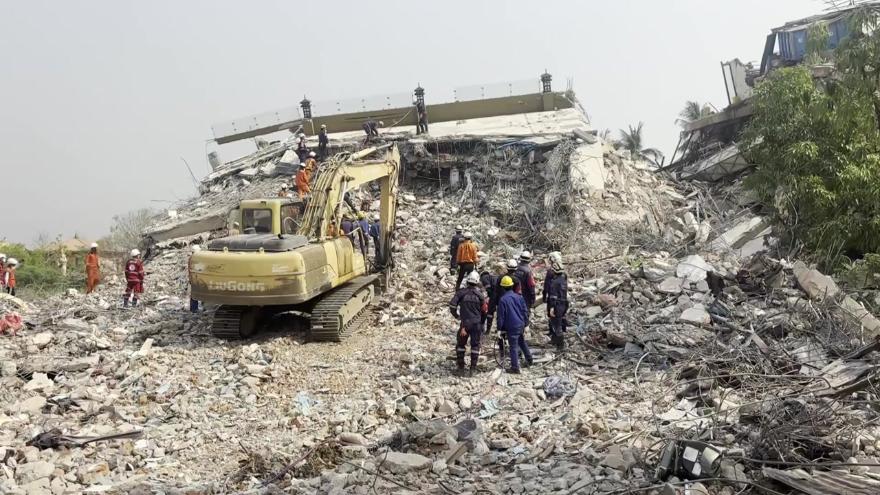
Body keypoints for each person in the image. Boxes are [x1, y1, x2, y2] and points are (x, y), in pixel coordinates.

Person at [449, 271, 488, 375]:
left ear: (467, 281)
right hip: (476, 324)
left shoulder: (461, 293)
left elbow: (452, 305)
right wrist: (482, 322)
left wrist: (456, 316)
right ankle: (472, 369)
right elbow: (485, 311)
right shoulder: (480, 295)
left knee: (461, 345)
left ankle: (461, 368)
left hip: (464, 324)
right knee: (475, 346)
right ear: (477, 282)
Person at [496, 275, 532, 373]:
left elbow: (501, 316)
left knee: (513, 347)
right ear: (512, 286)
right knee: (521, 341)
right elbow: (525, 311)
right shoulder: (519, 297)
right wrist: (526, 324)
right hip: (520, 324)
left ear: (503, 287)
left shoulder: (503, 300)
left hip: (511, 326)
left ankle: (515, 367)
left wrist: (499, 329)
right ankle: (529, 359)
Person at [546, 258, 569, 351]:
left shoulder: (554, 282)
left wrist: (552, 307)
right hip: (564, 304)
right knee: (558, 322)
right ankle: (555, 340)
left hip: (557, 305)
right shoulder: (563, 279)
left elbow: (553, 296)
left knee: (556, 324)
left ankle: (560, 345)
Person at [479, 263, 499, 333]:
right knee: (501, 312)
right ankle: (499, 329)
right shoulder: (494, 276)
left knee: (490, 312)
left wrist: (489, 298)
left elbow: (488, 289)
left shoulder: (484, 278)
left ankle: (488, 330)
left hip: (494, 293)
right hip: (501, 293)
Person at [189, 245, 201, 313]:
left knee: (195, 293)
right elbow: (199, 268)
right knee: (195, 294)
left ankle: (194, 308)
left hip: (194, 278)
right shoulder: (194, 259)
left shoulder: (192, 258)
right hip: (195, 279)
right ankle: (194, 309)